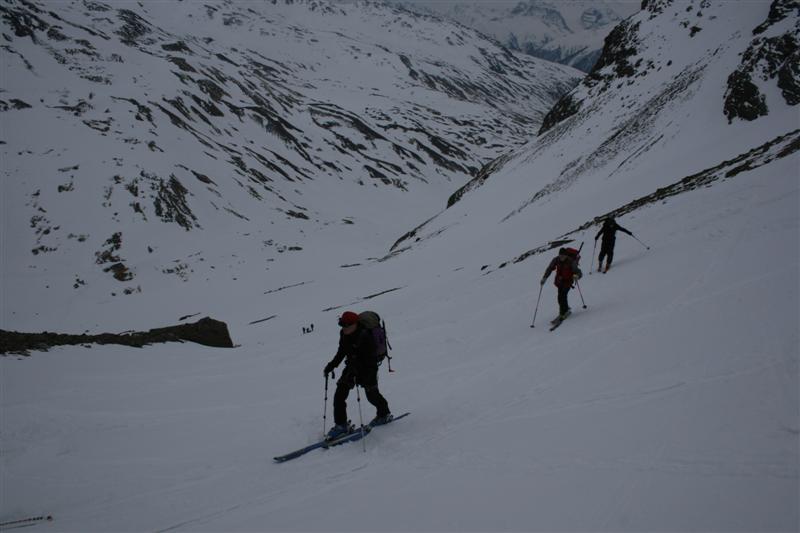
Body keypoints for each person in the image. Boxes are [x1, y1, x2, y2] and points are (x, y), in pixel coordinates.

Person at [323, 311, 392, 440]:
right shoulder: (344, 334)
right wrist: (331, 366)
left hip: (368, 368)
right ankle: (341, 425)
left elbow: (370, 359)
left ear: (355, 324)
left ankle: (384, 413)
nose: (344, 328)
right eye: (342, 326)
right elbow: (341, 351)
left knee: (371, 395)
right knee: (339, 394)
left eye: (347, 326)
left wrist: (359, 370)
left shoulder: (364, 336)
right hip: (351, 367)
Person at [541, 248, 582, 321]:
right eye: (560, 256)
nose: (561, 257)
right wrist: (544, 278)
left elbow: (579, 272)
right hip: (559, 281)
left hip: (568, 281)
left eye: (563, 256)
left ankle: (564, 312)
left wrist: (577, 276)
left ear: (566, 255)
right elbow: (550, 268)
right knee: (559, 297)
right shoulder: (556, 259)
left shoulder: (571, 261)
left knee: (563, 296)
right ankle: (565, 308)